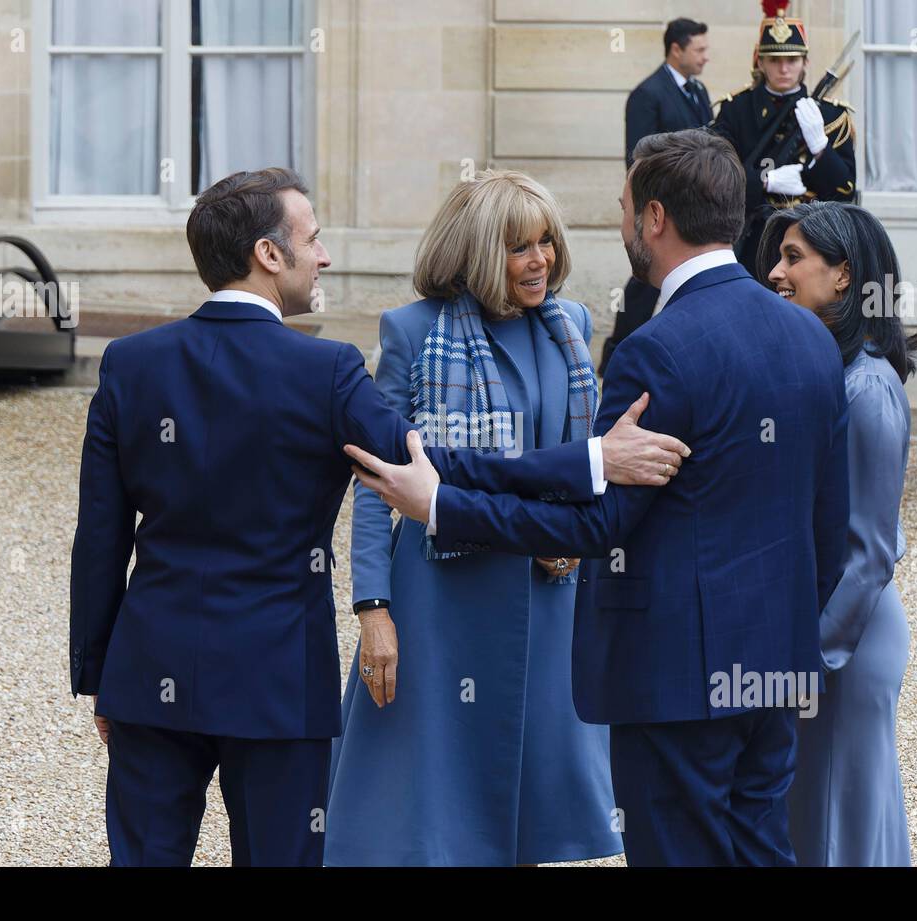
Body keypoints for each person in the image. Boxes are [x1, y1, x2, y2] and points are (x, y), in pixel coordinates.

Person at [67, 168, 686, 866]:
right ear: (269, 255)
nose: (325, 257)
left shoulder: (129, 364)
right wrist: (591, 462)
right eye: (313, 239)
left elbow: (98, 539)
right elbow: (432, 465)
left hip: (149, 671)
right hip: (278, 682)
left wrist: (98, 676)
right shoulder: (326, 370)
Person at [346, 129, 852, 867]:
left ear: (653, 217)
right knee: (759, 849)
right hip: (774, 662)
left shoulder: (655, 346)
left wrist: (445, 500)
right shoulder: (809, 336)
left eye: (619, 208)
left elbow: (603, 521)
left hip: (673, 675)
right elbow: (827, 530)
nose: (547, 256)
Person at [326, 171, 626, 866]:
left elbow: (581, 464)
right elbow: (376, 482)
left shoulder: (571, 324)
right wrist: (374, 608)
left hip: (548, 587)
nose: (541, 260)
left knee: (536, 789)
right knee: (430, 801)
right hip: (440, 597)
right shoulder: (411, 331)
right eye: (520, 247)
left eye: (546, 241)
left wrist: (574, 539)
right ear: (480, 253)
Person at [757, 201, 917, 867]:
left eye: (793, 257)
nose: (774, 272)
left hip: (846, 645)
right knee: (813, 816)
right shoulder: (823, 370)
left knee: (840, 822)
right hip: (817, 634)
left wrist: (810, 660)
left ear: (845, 276)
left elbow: (870, 550)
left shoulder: (870, 390)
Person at [711, 1, 857, 278]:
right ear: (760, 62)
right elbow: (716, 179)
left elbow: (845, 190)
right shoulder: (736, 111)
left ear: (805, 62)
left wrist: (820, 149)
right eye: (774, 60)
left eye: (792, 60)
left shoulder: (830, 115)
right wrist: (766, 182)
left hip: (813, 240)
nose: (784, 69)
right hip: (751, 241)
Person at [602, 17, 713, 375]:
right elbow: (638, 157)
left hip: (693, 205)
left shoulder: (698, 92)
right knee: (645, 279)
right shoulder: (647, 94)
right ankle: (618, 355)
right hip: (659, 206)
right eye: (699, 49)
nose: (705, 57)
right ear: (676, 49)